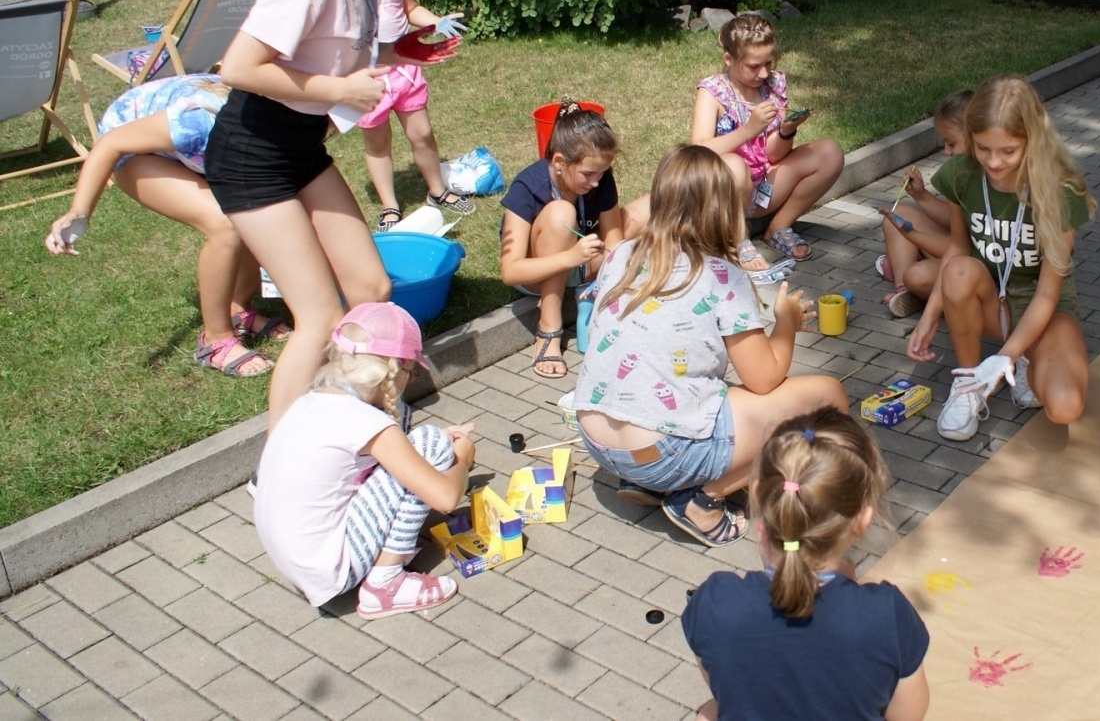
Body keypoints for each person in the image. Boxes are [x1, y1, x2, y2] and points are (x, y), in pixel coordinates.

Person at [212, 0, 440, 426]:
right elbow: (239, 67)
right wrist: (341, 90)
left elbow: (341, 50)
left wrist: (412, 52)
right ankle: (283, 460)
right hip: (252, 151)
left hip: (299, 146)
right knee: (315, 315)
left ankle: (350, 414)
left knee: (369, 288)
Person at [573, 145, 848, 547]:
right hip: (662, 452)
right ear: (725, 208)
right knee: (828, 398)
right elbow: (764, 380)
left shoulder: (622, 255)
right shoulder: (722, 274)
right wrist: (785, 323)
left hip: (596, 440)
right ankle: (700, 498)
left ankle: (659, 485)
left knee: (708, 397)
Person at [682, 408, 930, 721]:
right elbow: (909, 714)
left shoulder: (715, 602)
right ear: (863, 519)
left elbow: (725, 689)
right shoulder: (885, 614)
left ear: (759, 496)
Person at [44, 73, 292, 378]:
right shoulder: (198, 121)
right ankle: (215, 340)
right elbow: (110, 145)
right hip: (131, 147)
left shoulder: (289, 129)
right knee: (225, 223)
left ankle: (237, 309)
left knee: (255, 211)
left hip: (202, 143)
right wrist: (79, 210)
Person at [254, 302, 475, 618]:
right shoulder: (368, 422)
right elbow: (446, 498)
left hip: (297, 561)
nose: (410, 383)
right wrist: (460, 462)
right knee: (431, 443)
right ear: (394, 369)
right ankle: (385, 585)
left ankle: (376, 566)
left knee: (417, 445)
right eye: (411, 374)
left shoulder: (309, 402)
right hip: (328, 568)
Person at [907, 75, 1096, 441]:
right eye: (982, 148)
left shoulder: (1061, 191)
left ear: (1032, 141)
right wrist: (930, 316)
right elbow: (957, 249)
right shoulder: (960, 176)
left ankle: (1021, 359)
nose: (993, 162)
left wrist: (1006, 354)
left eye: (1008, 151)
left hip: (1044, 310)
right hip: (994, 302)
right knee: (961, 270)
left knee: (1064, 407)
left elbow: (1046, 294)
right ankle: (969, 384)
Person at [500, 103, 648, 379]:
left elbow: (613, 240)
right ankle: (548, 330)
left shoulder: (599, 179)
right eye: (588, 174)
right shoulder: (527, 187)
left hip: (582, 261)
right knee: (561, 214)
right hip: (537, 276)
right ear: (559, 162)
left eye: (602, 173)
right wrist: (571, 258)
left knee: (657, 205)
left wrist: (612, 275)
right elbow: (510, 272)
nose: (596, 182)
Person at [691, 15, 844, 270]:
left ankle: (778, 228)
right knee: (734, 164)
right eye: (753, 66)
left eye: (768, 63)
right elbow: (697, 151)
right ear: (729, 59)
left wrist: (786, 131)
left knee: (830, 152)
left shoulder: (772, 84)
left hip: (762, 186)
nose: (763, 73)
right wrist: (749, 130)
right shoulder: (712, 92)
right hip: (723, 194)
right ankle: (736, 239)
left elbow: (773, 156)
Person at [359, 0, 473, 232]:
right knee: (378, 143)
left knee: (422, 134)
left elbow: (410, 9)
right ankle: (389, 206)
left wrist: (437, 21)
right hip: (368, 73)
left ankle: (437, 190)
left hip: (405, 68)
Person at [875, 89, 972, 319]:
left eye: (951, 143)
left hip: (974, 261)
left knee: (917, 276)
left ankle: (915, 279)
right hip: (957, 248)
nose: (946, 152)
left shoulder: (990, 176)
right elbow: (952, 220)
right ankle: (904, 291)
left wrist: (913, 236)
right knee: (902, 213)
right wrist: (921, 196)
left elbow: (961, 248)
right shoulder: (957, 171)